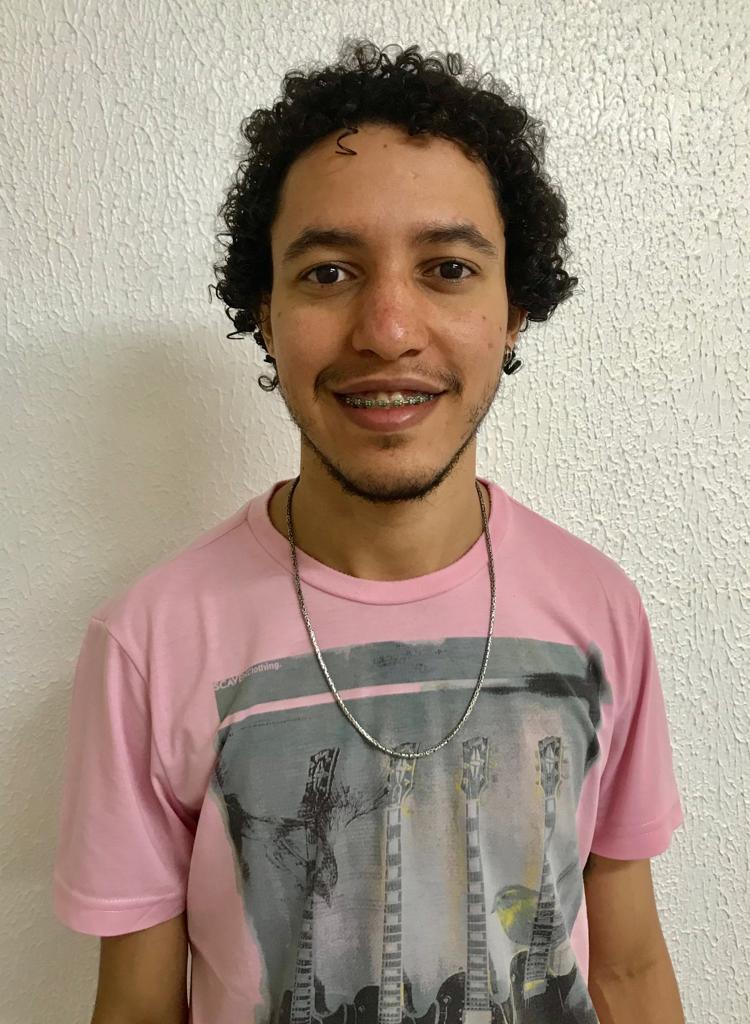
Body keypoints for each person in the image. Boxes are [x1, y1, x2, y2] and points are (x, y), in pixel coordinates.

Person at [53, 40, 685, 1024]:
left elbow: (631, 969)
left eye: (448, 268)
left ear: (514, 309)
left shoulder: (599, 607)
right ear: (265, 312)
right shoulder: (149, 641)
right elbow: (136, 1007)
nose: (388, 329)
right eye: (330, 271)